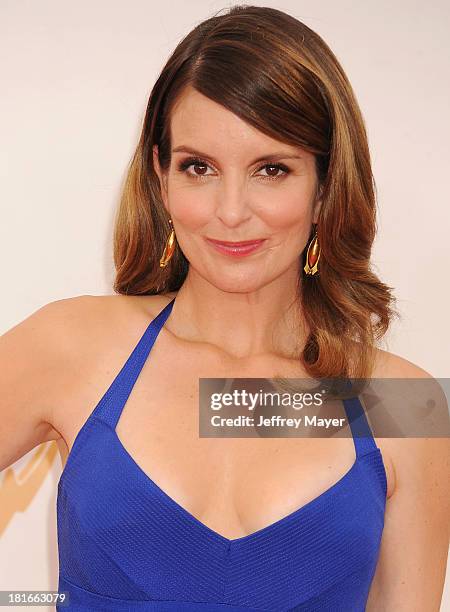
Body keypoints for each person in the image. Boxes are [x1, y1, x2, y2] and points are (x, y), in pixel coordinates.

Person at [1, 4, 449, 611]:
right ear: (161, 176)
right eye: (199, 167)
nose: (231, 211)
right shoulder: (72, 347)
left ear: (325, 185)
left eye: (271, 169)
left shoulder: (404, 407)